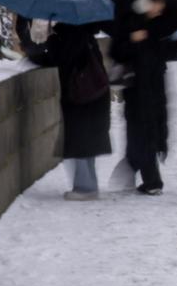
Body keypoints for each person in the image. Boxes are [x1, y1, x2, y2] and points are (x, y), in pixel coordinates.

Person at [108, 0, 177, 195]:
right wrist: (131, 40)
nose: (160, 8)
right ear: (146, 3)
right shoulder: (128, 23)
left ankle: (141, 174)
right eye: (157, 3)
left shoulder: (157, 26)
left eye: (162, 3)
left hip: (154, 86)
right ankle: (152, 181)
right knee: (141, 132)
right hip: (136, 88)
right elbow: (116, 52)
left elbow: (167, 52)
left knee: (150, 131)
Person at [20, 19, 112, 200]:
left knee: (80, 140)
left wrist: (34, 52)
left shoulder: (69, 32)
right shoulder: (85, 31)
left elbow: (60, 59)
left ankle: (85, 188)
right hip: (92, 93)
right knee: (86, 141)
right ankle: (87, 184)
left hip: (79, 95)